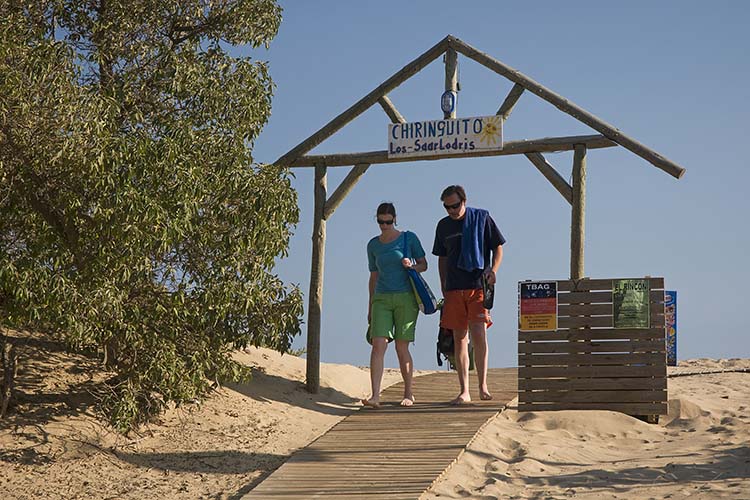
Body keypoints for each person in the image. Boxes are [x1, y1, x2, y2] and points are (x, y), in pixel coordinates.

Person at [432, 185, 505, 405]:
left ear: (464, 201)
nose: (451, 210)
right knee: (459, 338)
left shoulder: (481, 218)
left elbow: (498, 246)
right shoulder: (443, 226)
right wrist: (443, 283)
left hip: (478, 284)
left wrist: (494, 270)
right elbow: (441, 257)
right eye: (447, 207)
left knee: (479, 334)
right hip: (454, 287)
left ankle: (483, 385)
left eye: (455, 205)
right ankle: (464, 390)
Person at [362, 202, 428, 408]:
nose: (384, 225)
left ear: (395, 219)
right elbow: (373, 276)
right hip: (381, 298)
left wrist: (412, 266)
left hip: (406, 297)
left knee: (401, 346)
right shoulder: (373, 245)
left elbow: (424, 264)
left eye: (388, 221)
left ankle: (408, 392)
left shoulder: (409, 238)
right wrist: (370, 305)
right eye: (381, 221)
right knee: (378, 344)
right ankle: (375, 395)